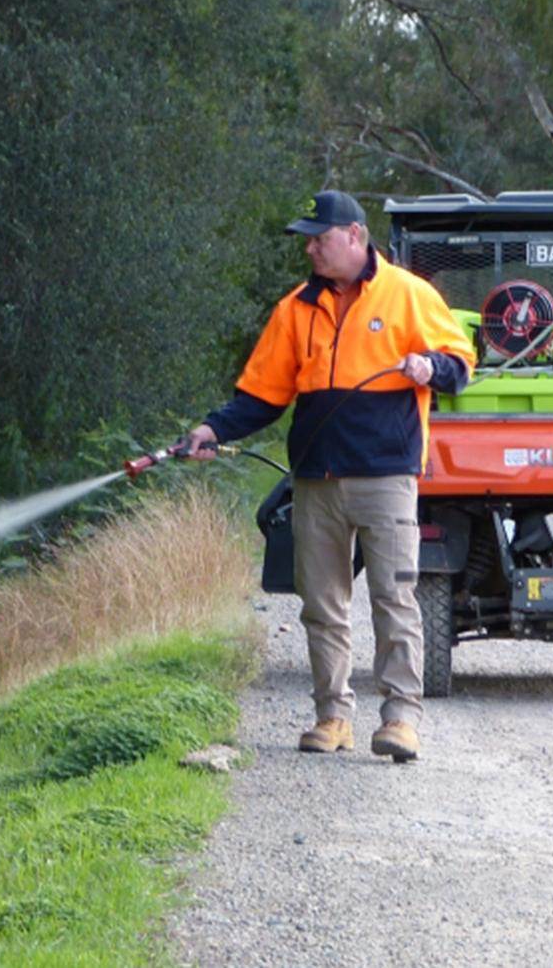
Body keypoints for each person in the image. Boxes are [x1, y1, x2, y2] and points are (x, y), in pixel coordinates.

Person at [187, 190, 474, 762]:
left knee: (394, 597)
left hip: (386, 478)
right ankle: (333, 717)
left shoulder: (408, 293)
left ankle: (401, 720)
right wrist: (212, 429)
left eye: (320, 239)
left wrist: (430, 367)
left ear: (354, 236)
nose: (311, 249)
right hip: (315, 479)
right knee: (321, 604)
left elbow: (461, 363)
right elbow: (262, 395)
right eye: (308, 241)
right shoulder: (294, 309)